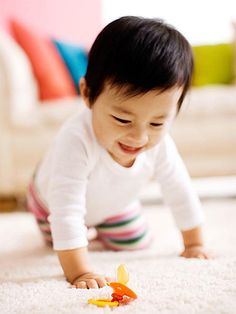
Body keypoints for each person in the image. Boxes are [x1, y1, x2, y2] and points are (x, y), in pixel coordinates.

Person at [27, 16, 210, 289]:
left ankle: (102, 226)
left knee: (136, 243)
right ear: (87, 94)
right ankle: (81, 234)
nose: (139, 137)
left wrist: (193, 243)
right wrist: (80, 273)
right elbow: (65, 212)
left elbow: (179, 189)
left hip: (112, 203)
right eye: (123, 120)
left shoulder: (160, 144)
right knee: (63, 238)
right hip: (51, 203)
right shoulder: (75, 140)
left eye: (157, 123)